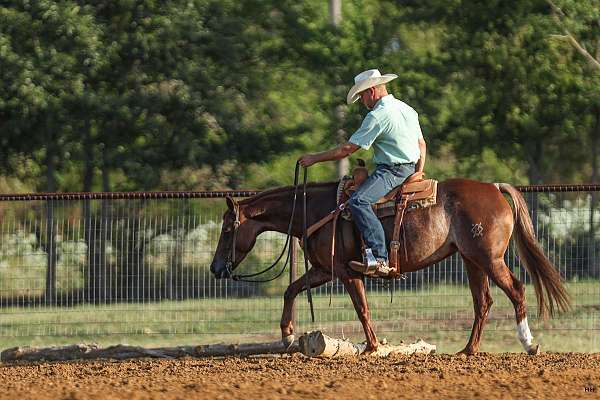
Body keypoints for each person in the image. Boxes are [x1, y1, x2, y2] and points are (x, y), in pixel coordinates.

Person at [298, 68, 427, 277]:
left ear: (372, 91)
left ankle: (379, 257)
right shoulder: (407, 109)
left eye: (362, 95)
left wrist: (314, 158)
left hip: (392, 170)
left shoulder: (377, 116)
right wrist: (418, 172)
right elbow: (421, 145)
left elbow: (347, 149)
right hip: (410, 168)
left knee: (358, 201)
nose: (362, 101)